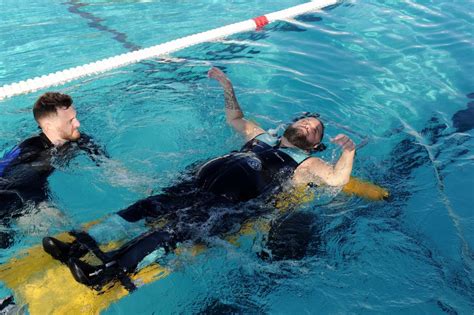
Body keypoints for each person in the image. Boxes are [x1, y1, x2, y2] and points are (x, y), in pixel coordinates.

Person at [42, 67, 356, 289]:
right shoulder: (262, 136)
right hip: (197, 186)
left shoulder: (308, 163)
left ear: (315, 144)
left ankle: (106, 273)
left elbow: (336, 180)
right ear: (294, 122)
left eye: (314, 130)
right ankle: (79, 247)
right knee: (145, 206)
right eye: (306, 121)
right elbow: (235, 117)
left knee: (173, 231)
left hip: (228, 207)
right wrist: (227, 87)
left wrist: (348, 152)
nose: (308, 127)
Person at [0, 92, 108, 248]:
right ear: (49, 126)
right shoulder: (29, 151)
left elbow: (110, 167)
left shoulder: (80, 139)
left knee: (74, 236)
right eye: (70, 121)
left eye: (75, 117)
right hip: (14, 198)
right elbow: (12, 184)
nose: (77, 123)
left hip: (29, 195)